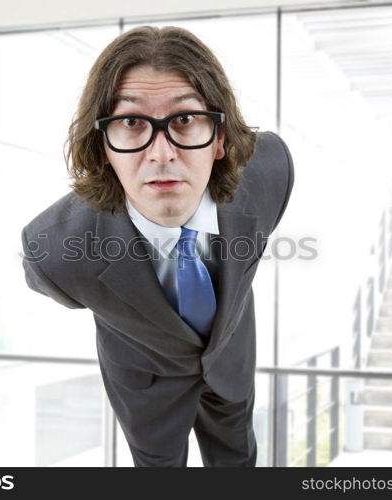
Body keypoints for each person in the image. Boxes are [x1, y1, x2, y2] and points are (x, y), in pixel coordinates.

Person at [21, 25, 294, 467]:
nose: (161, 153)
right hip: (145, 380)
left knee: (238, 459)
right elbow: (65, 293)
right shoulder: (53, 251)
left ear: (221, 138)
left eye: (184, 120)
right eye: (131, 122)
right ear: (104, 145)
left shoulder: (271, 174)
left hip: (231, 359)